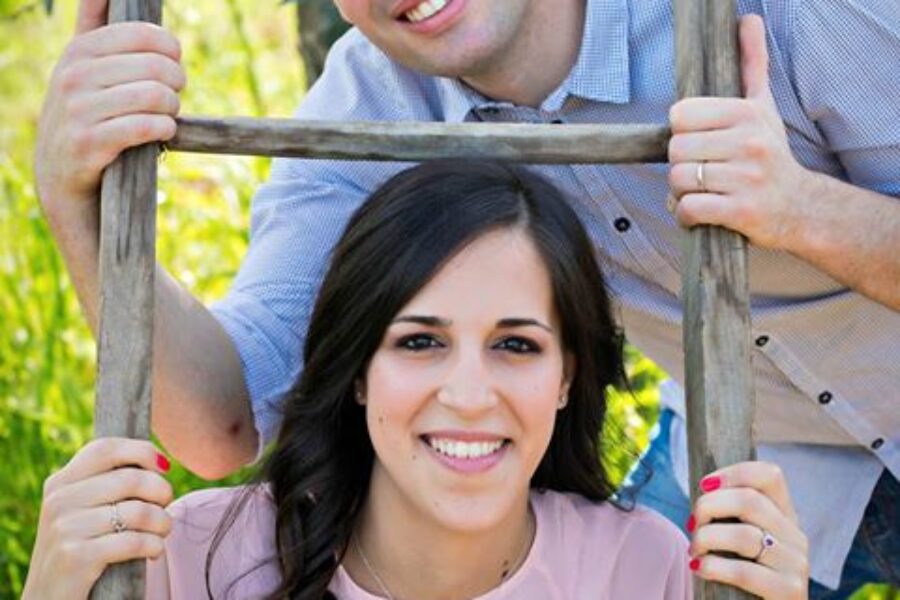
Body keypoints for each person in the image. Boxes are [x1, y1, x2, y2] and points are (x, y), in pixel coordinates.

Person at [34, 0, 899, 595]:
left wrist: (802, 209)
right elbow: (221, 420)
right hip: (762, 451)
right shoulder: (369, 108)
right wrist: (77, 199)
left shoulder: (793, 16)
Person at [24, 161, 809, 599]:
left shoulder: (641, 569)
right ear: (357, 370)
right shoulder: (198, 555)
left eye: (517, 346)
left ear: (568, 377)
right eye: (421, 341)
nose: (468, 394)